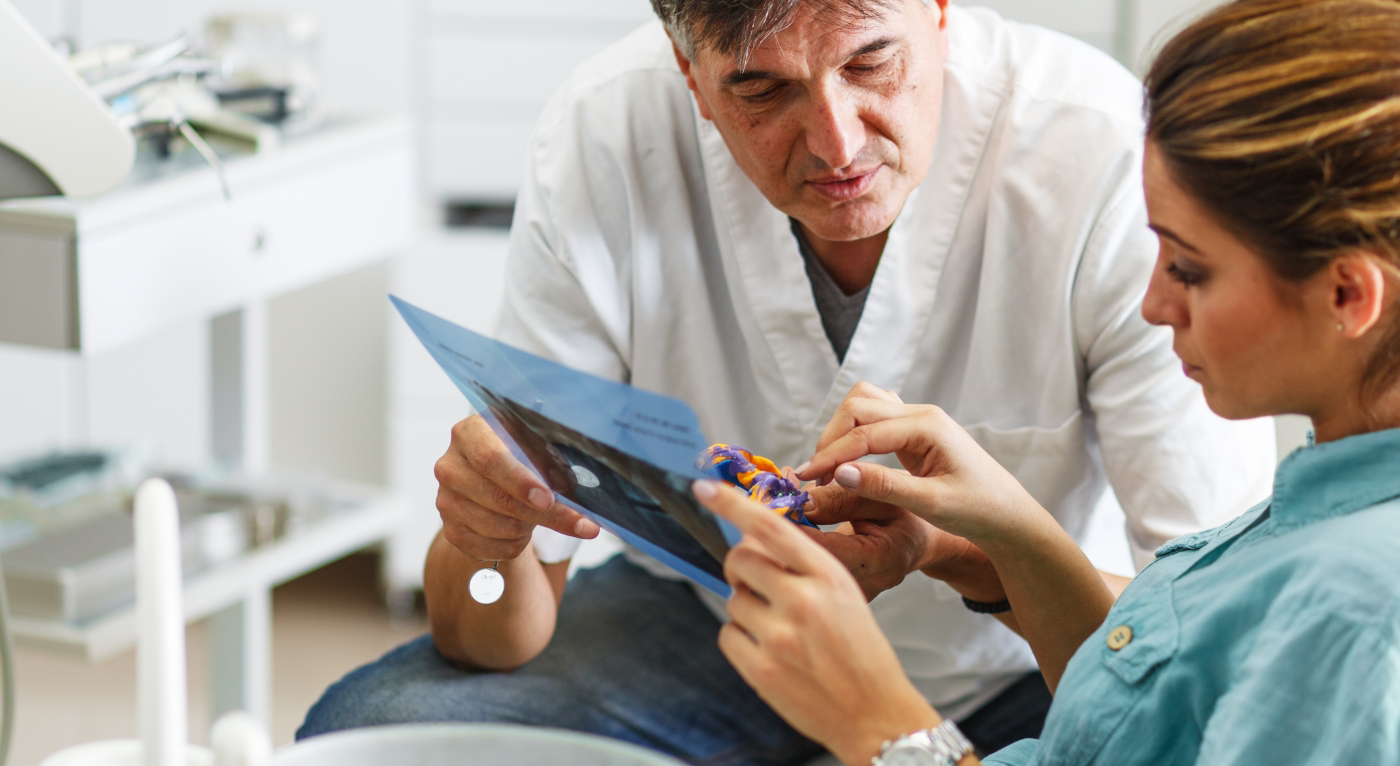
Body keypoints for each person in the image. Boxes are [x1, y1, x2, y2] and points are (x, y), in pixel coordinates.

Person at [298, 0, 1276, 760]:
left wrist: (963, 552)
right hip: (710, 623)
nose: (837, 144)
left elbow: (1214, 646)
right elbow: (489, 636)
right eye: (761, 91)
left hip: (1016, 659)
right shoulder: (607, 133)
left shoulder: (1098, 150)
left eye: (869, 62)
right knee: (373, 724)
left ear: (937, 12)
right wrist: (484, 537)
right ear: (689, 74)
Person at [697, 0, 1400, 763]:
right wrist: (966, 542)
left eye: (1190, 270)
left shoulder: (1360, 608)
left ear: (1346, 295)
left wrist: (887, 730)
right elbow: (1142, 720)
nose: (1155, 304)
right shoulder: (1328, 504)